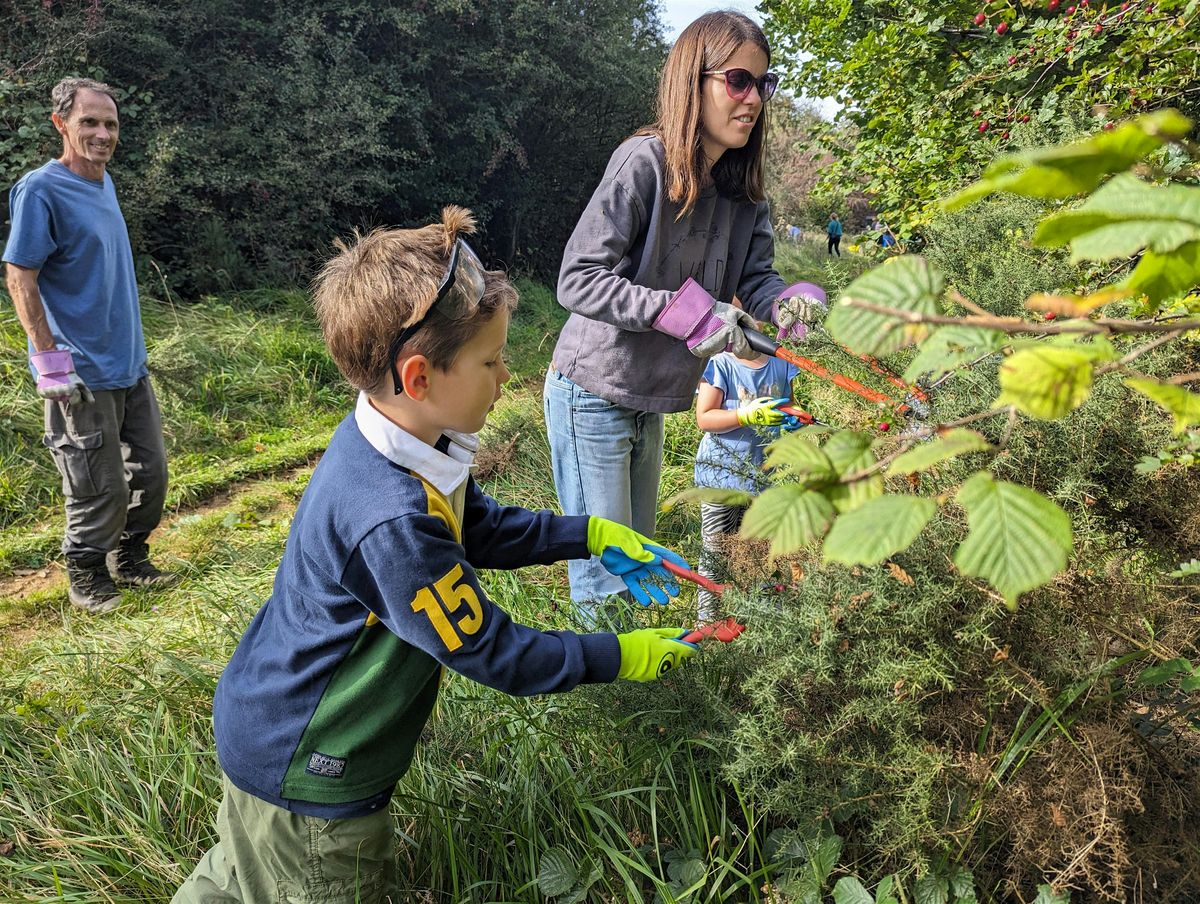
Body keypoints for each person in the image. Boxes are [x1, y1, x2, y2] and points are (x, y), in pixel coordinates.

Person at [171, 208, 699, 904]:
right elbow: (488, 647)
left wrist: (590, 535)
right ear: (419, 377)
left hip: (267, 729)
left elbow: (477, 528)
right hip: (311, 774)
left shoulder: (410, 444)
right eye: (490, 360)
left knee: (241, 875)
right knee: (304, 880)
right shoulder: (390, 517)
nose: (508, 375)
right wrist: (617, 655)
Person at [544, 11, 820, 624]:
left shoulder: (745, 194)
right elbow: (577, 279)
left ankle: (637, 689)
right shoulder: (643, 162)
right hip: (592, 388)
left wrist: (792, 304)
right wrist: (689, 313)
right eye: (739, 81)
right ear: (692, 82)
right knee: (606, 576)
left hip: (649, 398)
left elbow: (758, 282)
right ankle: (607, 708)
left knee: (639, 561)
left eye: (764, 84)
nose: (754, 99)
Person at [3, 77, 173, 614]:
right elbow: (19, 276)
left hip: (128, 364)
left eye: (110, 124)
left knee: (149, 474)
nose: (103, 134)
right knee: (98, 484)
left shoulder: (104, 182)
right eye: (90, 123)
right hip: (79, 371)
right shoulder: (41, 188)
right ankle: (86, 573)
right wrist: (49, 364)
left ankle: (132, 558)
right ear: (61, 125)